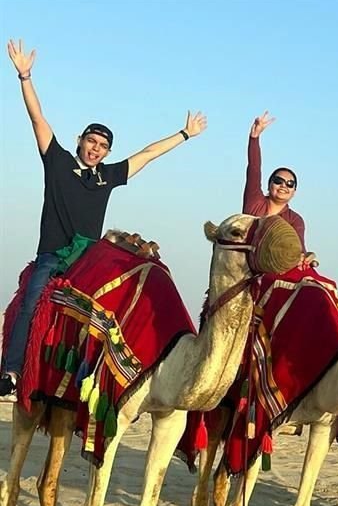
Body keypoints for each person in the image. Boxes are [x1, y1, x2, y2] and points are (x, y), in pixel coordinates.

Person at [0, 39, 208, 397]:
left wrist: (185, 134)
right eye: (91, 142)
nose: (95, 149)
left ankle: (102, 382)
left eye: (102, 146)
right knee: (32, 300)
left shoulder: (107, 176)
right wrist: (25, 76)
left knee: (115, 305)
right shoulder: (59, 163)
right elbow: (38, 118)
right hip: (53, 255)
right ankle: (12, 371)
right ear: (80, 141)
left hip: (89, 259)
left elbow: (147, 154)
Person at [244, 111, 313, 268]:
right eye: (279, 181)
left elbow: (298, 249)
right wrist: (254, 138)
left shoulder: (295, 220)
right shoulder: (254, 201)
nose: (284, 186)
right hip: (243, 269)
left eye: (290, 184)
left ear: (294, 192)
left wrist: (308, 256)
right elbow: (254, 169)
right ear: (269, 185)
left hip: (274, 271)